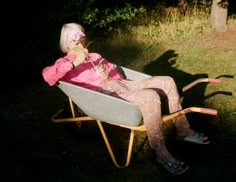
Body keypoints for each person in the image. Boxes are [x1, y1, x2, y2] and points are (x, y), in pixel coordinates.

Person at [42, 22, 210, 175]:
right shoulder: (63, 63)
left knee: (167, 81)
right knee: (150, 96)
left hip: (121, 84)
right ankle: (161, 152)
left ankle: (183, 129)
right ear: (67, 43)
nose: (79, 43)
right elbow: (48, 76)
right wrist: (74, 63)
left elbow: (116, 72)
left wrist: (107, 73)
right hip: (103, 94)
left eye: (81, 38)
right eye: (74, 40)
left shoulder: (93, 56)